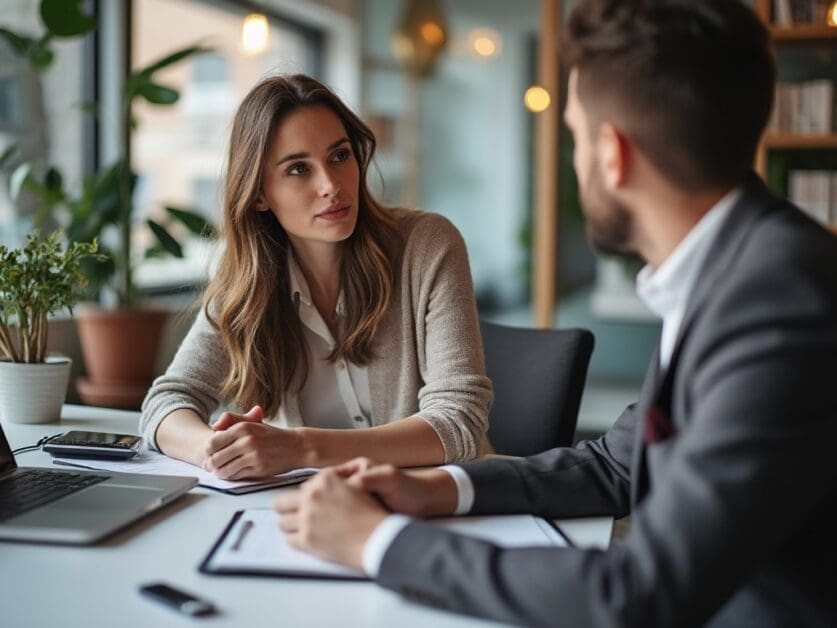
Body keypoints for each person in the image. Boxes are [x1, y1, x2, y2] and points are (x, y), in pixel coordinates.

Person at [274, 1, 837, 626]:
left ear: (611, 153)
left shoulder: (781, 301)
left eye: (571, 137)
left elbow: (639, 594)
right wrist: (435, 488)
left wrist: (376, 543)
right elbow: (615, 464)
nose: (572, 161)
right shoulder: (739, 266)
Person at [139, 74, 492, 480]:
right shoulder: (248, 281)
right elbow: (168, 401)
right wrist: (218, 452)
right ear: (258, 194)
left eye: (340, 156)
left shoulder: (427, 245)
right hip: (299, 507)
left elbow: (459, 421)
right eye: (298, 169)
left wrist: (298, 448)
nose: (331, 185)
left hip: (432, 501)